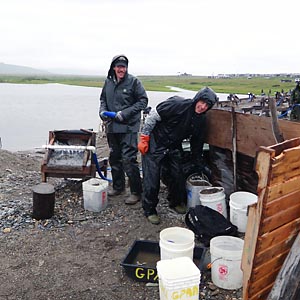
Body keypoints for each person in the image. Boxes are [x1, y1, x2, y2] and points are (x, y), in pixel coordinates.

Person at [138, 87, 218, 224]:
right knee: (152, 179)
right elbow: (153, 115)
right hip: (155, 143)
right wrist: (144, 137)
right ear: (197, 98)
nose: (202, 107)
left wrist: (198, 162)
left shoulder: (201, 120)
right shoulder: (178, 104)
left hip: (174, 145)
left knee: (177, 175)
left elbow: (196, 143)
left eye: (207, 105)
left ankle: (175, 202)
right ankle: (149, 209)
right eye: (202, 102)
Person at [99, 54, 148, 204]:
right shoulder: (108, 82)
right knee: (115, 157)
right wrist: (102, 111)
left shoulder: (134, 82)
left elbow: (143, 101)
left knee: (129, 159)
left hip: (128, 127)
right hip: (112, 127)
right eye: (119, 66)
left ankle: (136, 192)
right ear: (113, 67)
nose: (121, 69)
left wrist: (124, 114)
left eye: (124, 67)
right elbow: (102, 99)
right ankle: (118, 186)